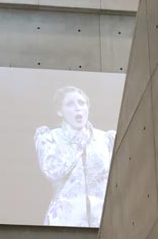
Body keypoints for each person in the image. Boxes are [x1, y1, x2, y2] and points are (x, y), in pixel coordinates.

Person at [35, 86, 115, 227]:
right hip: (65, 222)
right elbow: (52, 172)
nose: (78, 108)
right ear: (60, 111)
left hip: (102, 223)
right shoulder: (50, 137)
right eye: (70, 104)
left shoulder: (106, 139)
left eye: (81, 103)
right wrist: (78, 143)